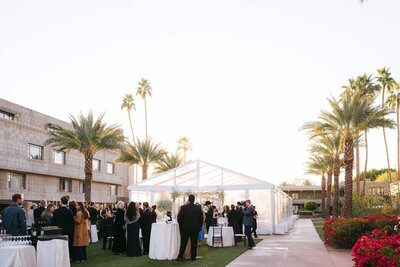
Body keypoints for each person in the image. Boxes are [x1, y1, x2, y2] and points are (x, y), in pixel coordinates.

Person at [177, 194, 204, 261]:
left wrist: (181, 226)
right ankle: (193, 257)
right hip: (195, 228)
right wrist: (199, 227)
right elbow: (201, 219)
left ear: (188, 199)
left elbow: (179, 218)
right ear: (194, 200)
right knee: (194, 243)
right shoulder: (198, 208)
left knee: (183, 243)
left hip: (185, 228)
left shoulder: (183, 207)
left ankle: (180, 257)